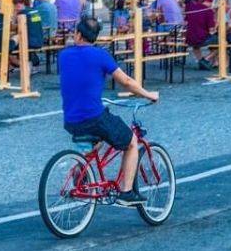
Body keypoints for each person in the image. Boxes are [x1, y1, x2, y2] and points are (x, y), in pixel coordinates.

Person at [59, 17, 159, 206]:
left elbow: (78, 80)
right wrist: (148, 94)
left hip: (70, 120)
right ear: (95, 38)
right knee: (130, 142)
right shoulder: (101, 55)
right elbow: (127, 82)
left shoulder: (63, 56)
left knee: (96, 138)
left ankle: (82, 171)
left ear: (78, 34)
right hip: (93, 117)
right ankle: (126, 192)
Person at [184, 0, 214, 69]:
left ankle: (201, 61)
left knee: (195, 46)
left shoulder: (190, 7)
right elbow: (211, 28)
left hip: (190, 37)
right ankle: (205, 60)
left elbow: (186, 20)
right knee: (223, 41)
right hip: (202, 37)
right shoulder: (209, 11)